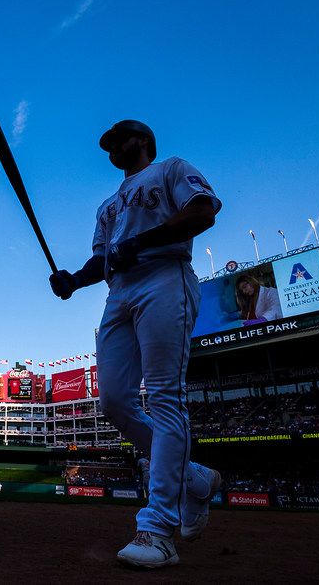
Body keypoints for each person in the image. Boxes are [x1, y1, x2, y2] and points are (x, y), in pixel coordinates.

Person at [49, 120, 224, 569]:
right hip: (119, 292)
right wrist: (73, 279)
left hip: (165, 277)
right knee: (114, 402)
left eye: (119, 140)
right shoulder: (108, 205)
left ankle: (159, 530)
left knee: (165, 396)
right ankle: (194, 479)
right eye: (107, 146)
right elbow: (103, 259)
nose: (112, 149)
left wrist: (140, 242)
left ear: (142, 140)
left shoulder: (170, 169)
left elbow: (204, 211)